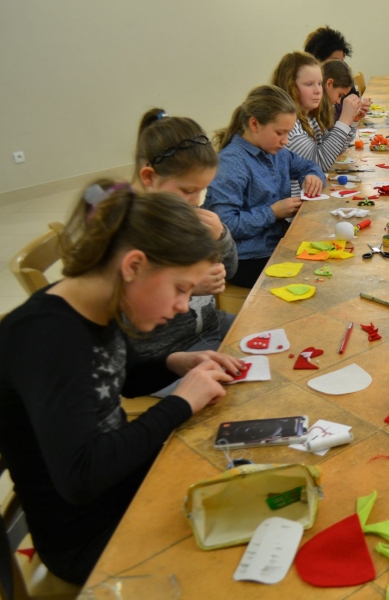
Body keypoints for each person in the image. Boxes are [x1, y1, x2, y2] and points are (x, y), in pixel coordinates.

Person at [0, 183, 244, 584]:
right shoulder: (47, 339)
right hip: (87, 536)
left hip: (121, 486)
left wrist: (175, 363)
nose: (183, 305)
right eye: (180, 288)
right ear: (133, 266)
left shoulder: (97, 300)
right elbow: (82, 476)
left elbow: (121, 374)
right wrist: (181, 403)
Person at [132, 108, 238, 367]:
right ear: (150, 177)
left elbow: (231, 270)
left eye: (202, 190)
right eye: (189, 190)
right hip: (166, 355)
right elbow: (128, 314)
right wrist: (188, 286)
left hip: (211, 327)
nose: (197, 200)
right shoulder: (133, 233)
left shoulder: (187, 218)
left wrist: (221, 236)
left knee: (273, 339)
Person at [205, 85, 325, 288]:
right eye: (280, 132)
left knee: (328, 254)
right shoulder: (232, 162)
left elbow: (308, 166)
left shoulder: (276, 151)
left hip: (276, 244)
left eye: (288, 133)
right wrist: (272, 213)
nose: (285, 141)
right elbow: (224, 226)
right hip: (246, 259)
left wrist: (313, 176)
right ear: (254, 124)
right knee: (316, 276)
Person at [271, 52, 365, 183]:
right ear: (291, 86)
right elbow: (321, 163)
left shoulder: (310, 117)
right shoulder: (290, 127)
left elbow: (335, 150)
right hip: (299, 195)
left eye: (319, 83)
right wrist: (344, 120)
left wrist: (352, 121)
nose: (318, 90)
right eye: (309, 84)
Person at [303, 25, 358, 121]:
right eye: (335, 60)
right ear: (317, 60)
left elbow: (353, 97)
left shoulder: (340, 75)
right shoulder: (311, 96)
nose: (340, 65)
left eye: (342, 61)